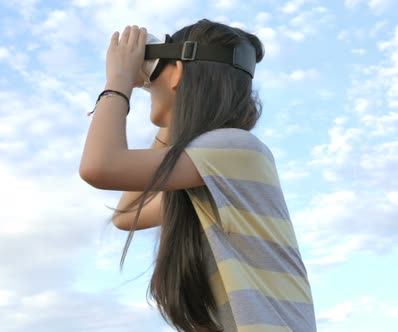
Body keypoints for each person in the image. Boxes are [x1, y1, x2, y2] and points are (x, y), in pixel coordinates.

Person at [79, 19, 316, 332]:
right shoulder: (216, 174)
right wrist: (172, 120)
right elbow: (126, 215)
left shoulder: (235, 147)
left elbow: (100, 166)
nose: (148, 85)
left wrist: (118, 83)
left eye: (156, 74)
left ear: (177, 73)